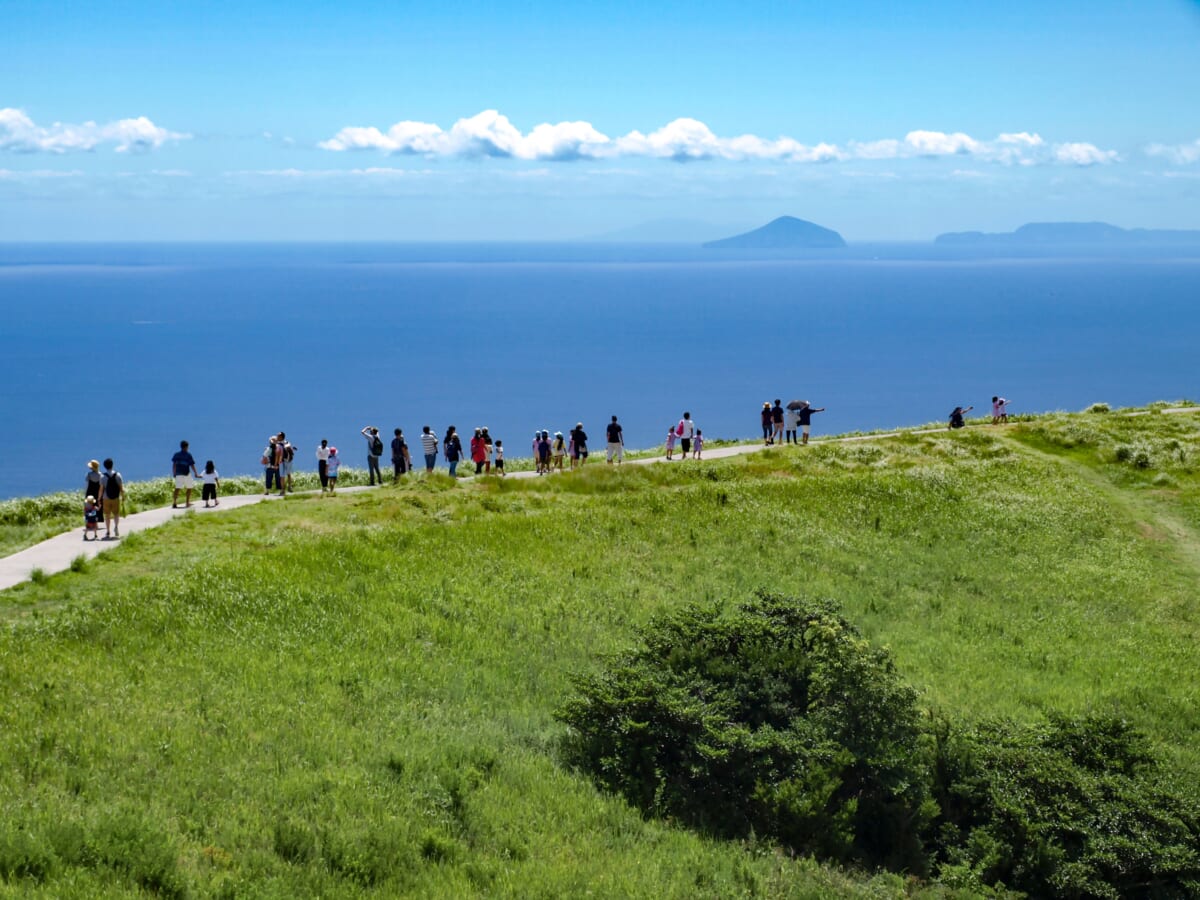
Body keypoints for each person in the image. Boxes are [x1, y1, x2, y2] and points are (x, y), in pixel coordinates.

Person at [171, 439, 199, 508]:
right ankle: (187, 503)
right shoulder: (188, 455)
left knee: (177, 488)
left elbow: (174, 465)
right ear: (186, 447)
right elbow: (192, 465)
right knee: (189, 487)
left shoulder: (176, 454)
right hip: (186, 473)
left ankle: (174, 502)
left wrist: (174, 473)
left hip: (178, 473)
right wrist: (196, 473)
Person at [100, 458, 124, 539]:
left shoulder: (103, 476)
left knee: (107, 515)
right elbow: (121, 488)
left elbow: (101, 489)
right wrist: (123, 496)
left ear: (105, 466)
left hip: (106, 498)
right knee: (116, 514)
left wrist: (99, 498)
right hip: (116, 498)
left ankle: (108, 531)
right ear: (112, 465)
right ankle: (116, 527)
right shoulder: (118, 475)